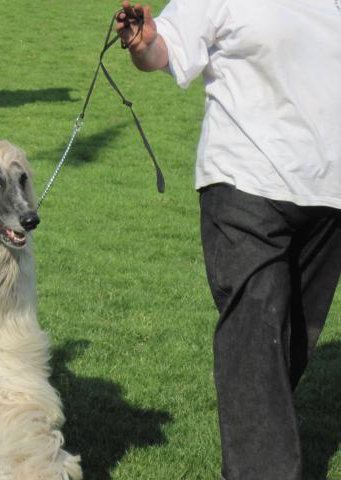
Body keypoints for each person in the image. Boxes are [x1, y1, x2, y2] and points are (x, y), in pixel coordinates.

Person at [116, 1, 341, 479]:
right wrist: (144, 42)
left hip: (328, 192)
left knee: (289, 345)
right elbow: (165, 48)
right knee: (253, 341)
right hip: (244, 180)